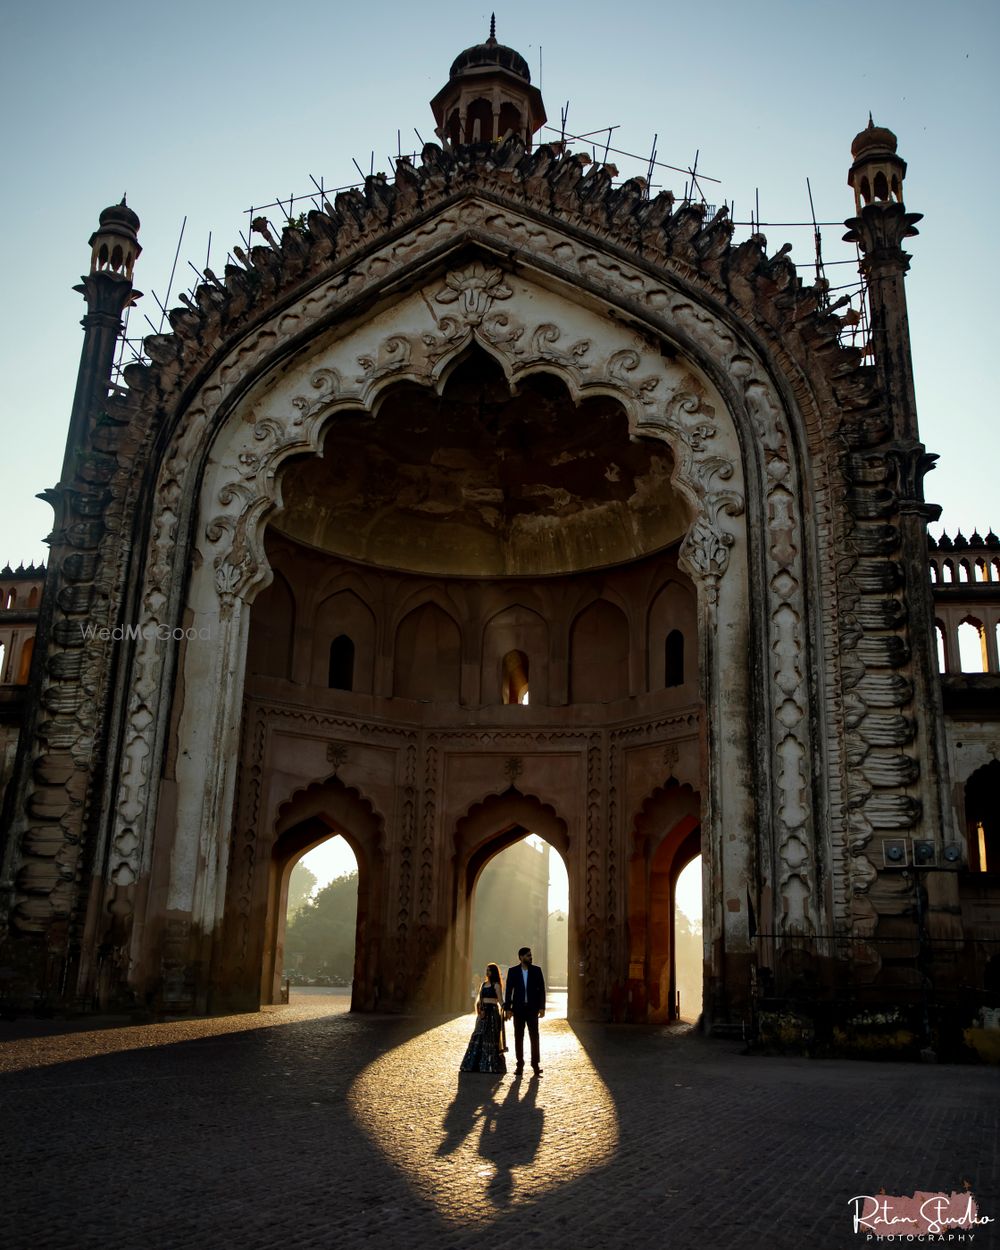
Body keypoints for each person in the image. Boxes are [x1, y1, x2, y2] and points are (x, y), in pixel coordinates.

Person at [503, 946, 546, 1076]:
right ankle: (519, 1065)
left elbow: (542, 990)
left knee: (534, 1037)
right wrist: (508, 1009)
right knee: (518, 1037)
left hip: (532, 1009)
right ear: (521, 957)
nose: (530, 957)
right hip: (518, 1009)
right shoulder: (513, 971)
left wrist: (542, 1007)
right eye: (528, 955)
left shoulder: (537, 971)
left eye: (530, 955)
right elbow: (509, 991)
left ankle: (535, 1064)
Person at [459, 963, 507, 1074]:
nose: (487, 972)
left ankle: (489, 1066)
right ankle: (473, 1065)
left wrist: (506, 1008)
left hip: (492, 1014)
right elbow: (479, 999)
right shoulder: (483, 984)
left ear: (493, 972)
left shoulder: (496, 985)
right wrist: (479, 1011)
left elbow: (500, 1000)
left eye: (489, 970)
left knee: (490, 1038)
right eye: (486, 970)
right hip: (483, 1014)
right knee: (478, 1035)